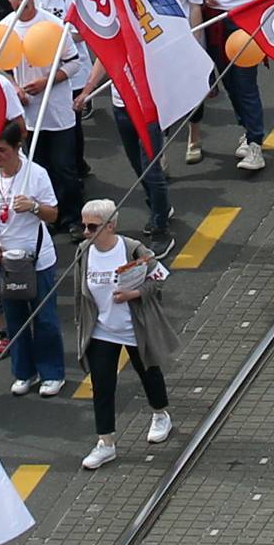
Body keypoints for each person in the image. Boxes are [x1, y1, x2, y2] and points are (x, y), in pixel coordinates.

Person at [72, 200, 174, 469]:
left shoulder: (131, 249)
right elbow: (79, 293)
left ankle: (160, 413)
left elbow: (159, 277)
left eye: (92, 226)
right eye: (84, 226)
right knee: (102, 387)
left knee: (149, 372)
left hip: (133, 327)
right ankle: (106, 442)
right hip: (101, 330)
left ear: (110, 226)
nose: (85, 232)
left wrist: (134, 294)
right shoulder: (84, 252)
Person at [0, 119, 66, 393]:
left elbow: (53, 214)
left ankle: (53, 372)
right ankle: (25, 372)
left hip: (36, 259)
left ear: (17, 148)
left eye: (2, 150)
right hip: (4, 261)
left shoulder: (36, 174)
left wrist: (34, 206)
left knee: (44, 318)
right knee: (15, 319)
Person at [185, 0, 267, 173]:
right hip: (214, 21)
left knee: (245, 83)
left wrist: (259, 23)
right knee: (227, 81)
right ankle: (247, 128)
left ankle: (256, 143)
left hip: (240, 20)